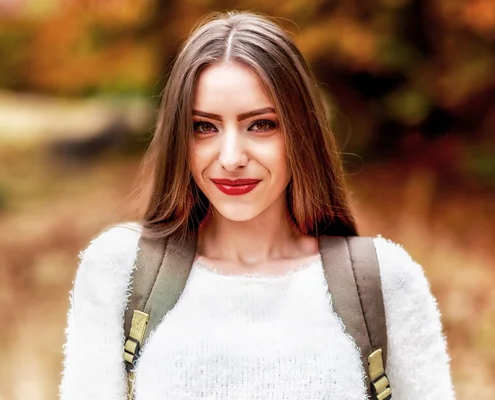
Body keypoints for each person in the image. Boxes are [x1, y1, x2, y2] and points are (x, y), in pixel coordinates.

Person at [59, 10, 455, 400]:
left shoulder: (384, 280)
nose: (231, 157)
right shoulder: (119, 270)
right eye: (204, 127)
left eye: (261, 124)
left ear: (301, 132)